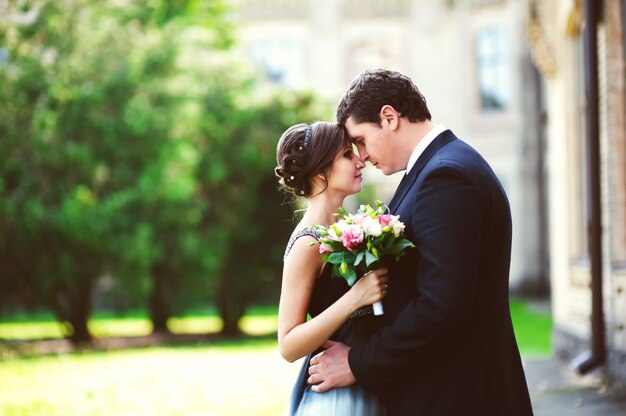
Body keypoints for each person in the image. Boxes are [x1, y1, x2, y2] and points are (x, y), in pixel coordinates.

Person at [307, 69, 534, 415]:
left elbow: (442, 305)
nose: (362, 157)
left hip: (460, 396)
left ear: (389, 117)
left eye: (362, 141)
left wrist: (357, 362)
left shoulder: (445, 176)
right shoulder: (437, 168)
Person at [275, 121, 389, 415]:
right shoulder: (308, 243)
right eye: (347, 155)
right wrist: (356, 298)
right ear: (320, 171)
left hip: (369, 377)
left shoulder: (347, 228)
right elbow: (288, 344)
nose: (360, 160)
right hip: (337, 397)